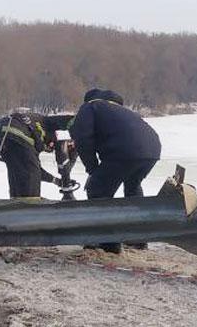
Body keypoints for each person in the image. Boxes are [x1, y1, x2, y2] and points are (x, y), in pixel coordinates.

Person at [68, 88, 161, 252]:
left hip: (124, 150)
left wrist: (92, 168)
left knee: (98, 191)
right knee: (132, 186)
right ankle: (138, 239)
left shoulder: (90, 107)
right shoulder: (122, 111)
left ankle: (108, 243)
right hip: (152, 149)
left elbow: (83, 139)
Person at [0, 110, 76, 198]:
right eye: (50, 145)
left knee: (18, 174)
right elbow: (63, 120)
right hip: (17, 131)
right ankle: (31, 204)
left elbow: (37, 170)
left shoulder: (33, 140)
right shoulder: (47, 122)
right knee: (32, 176)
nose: (49, 146)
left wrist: (56, 181)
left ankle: (17, 202)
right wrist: (78, 121)